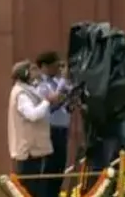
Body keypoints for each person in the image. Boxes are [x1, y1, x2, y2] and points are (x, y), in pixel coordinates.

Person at [8, 60, 59, 197]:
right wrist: (47, 101)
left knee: (38, 188)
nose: (36, 73)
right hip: (29, 151)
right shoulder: (21, 94)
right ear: (25, 73)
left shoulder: (29, 90)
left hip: (35, 150)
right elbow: (33, 115)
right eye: (33, 70)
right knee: (31, 190)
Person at [34, 52, 71, 197]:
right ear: (44, 66)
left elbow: (65, 99)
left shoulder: (57, 82)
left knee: (59, 169)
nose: (58, 69)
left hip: (62, 129)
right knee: (49, 169)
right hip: (50, 131)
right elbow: (52, 101)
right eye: (55, 66)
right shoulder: (41, 85)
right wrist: (63, 81)